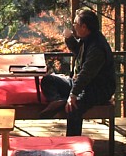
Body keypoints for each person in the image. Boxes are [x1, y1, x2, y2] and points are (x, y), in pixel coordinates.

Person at [40, 7, 116, 136]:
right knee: (48, 80)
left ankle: (73, 143)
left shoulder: (97, 47)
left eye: (75, 24)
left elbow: (86, 73)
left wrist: (73, 95)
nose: (74, 27)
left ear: (84, 27)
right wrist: (69, 39)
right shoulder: (88, 38)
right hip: (82, 83)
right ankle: (58, 100)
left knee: (73, 108)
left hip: (97, 89)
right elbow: (78, 52)